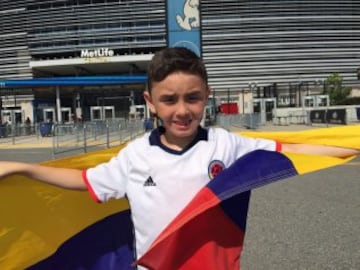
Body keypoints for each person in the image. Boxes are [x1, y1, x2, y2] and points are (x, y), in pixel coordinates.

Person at [0, 47, 358, 268]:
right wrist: (23, 167)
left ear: (207, 96)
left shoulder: (225, 144)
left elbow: (291, 153)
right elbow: (85, 181)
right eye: (169, 100)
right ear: (150, 102)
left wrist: (349, 146)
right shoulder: (136, 155)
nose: (182, 110)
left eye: (193, 98)